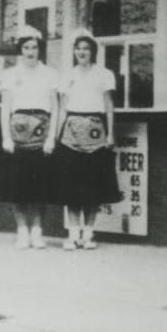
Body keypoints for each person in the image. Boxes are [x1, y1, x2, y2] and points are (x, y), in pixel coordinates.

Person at [0, 26, 59, 249]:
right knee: (17, 187)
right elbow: (5, 107)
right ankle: (22, 231)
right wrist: (6, 137)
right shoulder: (9, 75)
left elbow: (55, 108)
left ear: (40, 49)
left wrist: (51, 138)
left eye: (34, 47)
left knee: (39, 187)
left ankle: (37, 231)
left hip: (41, 134)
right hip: (17, 135)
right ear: (20, 50)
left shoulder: (50, 74)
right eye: (26, 47)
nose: (30, 52)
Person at [51, 29, 123, 251]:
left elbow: (109, 105)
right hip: (70, 135)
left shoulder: (104, 74)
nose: (82, 52)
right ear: (74, 51)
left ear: (93, 51)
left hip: (96, 133)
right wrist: (56, 136)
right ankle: (73, 234)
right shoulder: (67, 75)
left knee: (93, 186)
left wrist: (110, 133)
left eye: (86, 48)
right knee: (72, 187)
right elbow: (62, 108)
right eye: (79, 48)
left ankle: (89, 234)